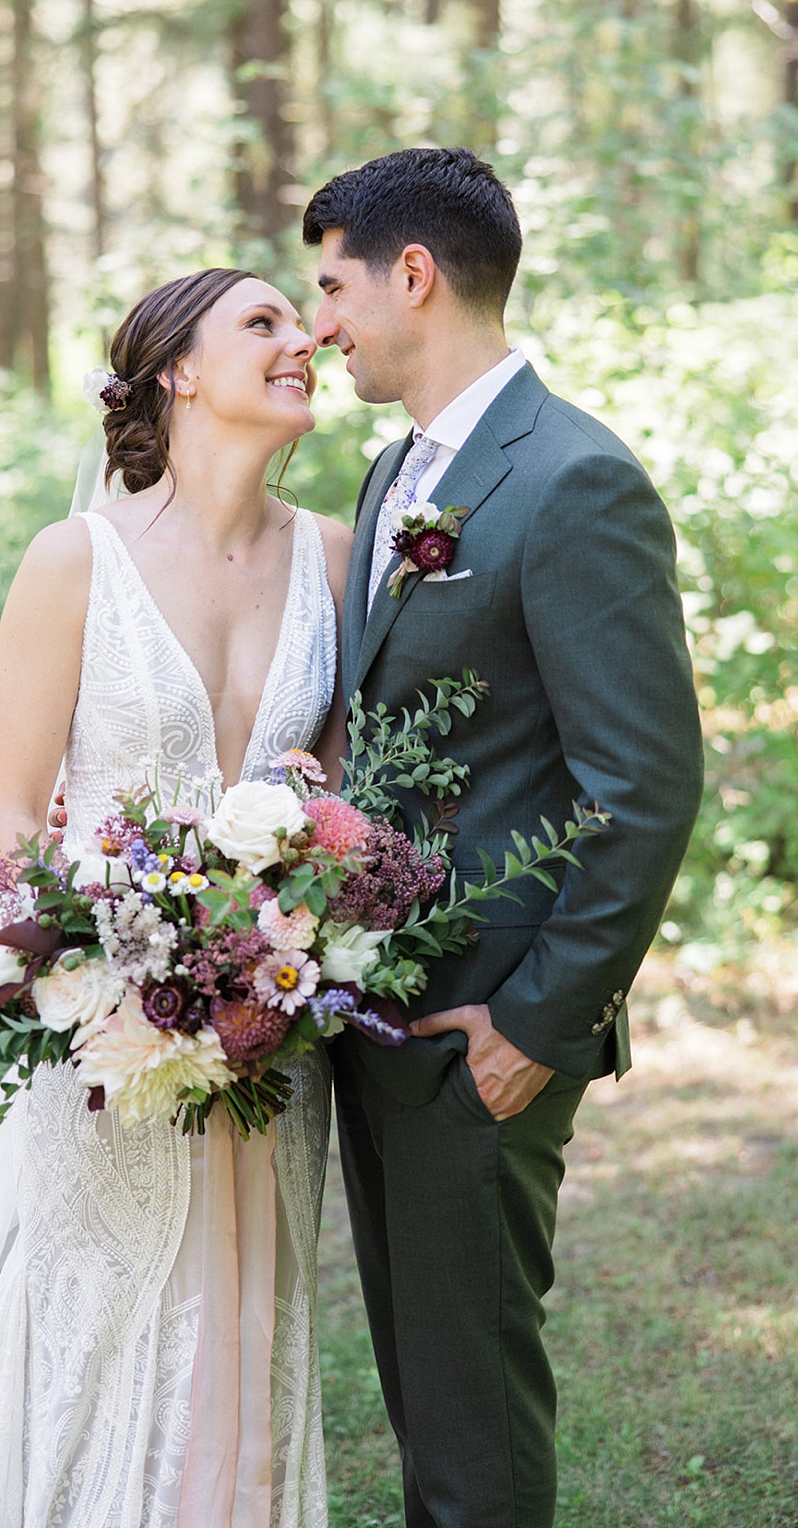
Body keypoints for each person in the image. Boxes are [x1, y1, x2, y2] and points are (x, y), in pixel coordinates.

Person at [0, 268, 351, 1528]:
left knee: (251, 1307)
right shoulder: (75, 560)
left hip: (268, 1019)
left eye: (297, 321)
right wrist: (105, 977)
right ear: (177, 372)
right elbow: (8, 812)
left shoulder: (334, 556)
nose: (300, 340)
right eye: (261, 323)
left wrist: (280, 952)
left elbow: (334, 805)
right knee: (91, 1309)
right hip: (107, 1027)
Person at [301, 147, 704, 1528]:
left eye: (332, 288)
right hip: (381, 1008)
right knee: (424, 1389)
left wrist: (536, 1022)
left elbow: (642, 785)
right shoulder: (389, 476)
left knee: (472, 1413)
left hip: (487, 1024)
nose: (320, 325)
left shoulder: (574, 478)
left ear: (412, 273)